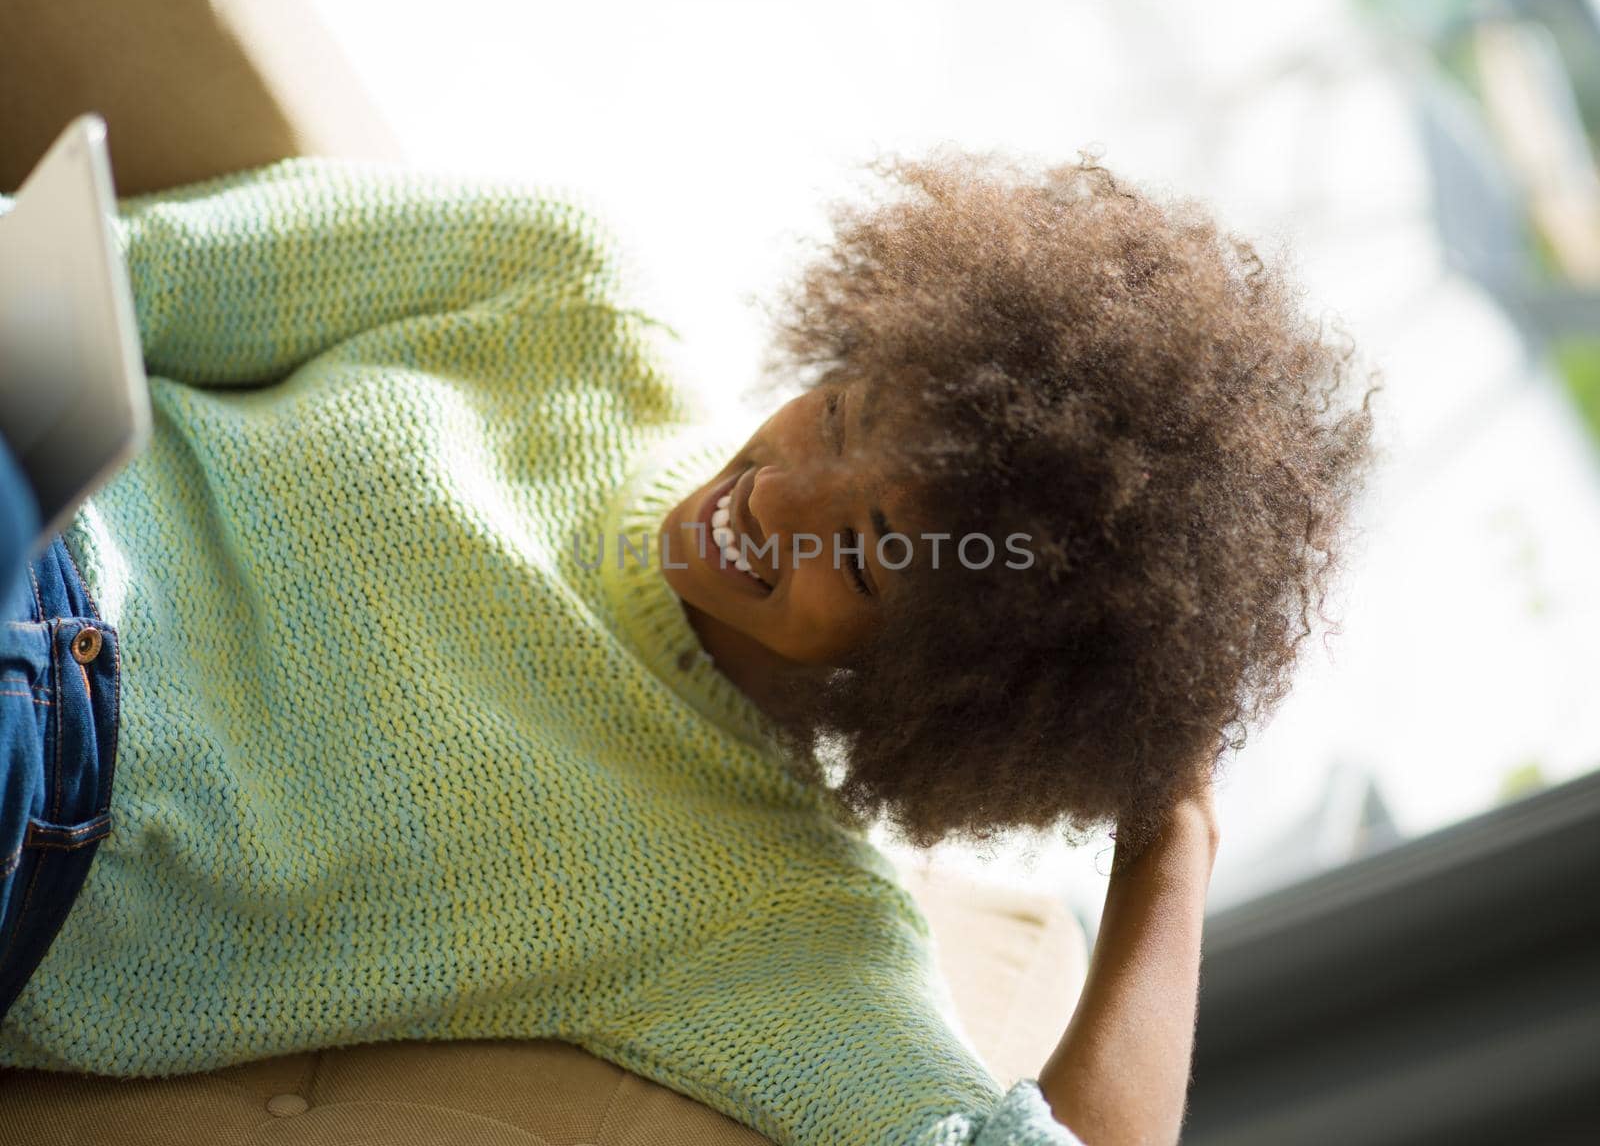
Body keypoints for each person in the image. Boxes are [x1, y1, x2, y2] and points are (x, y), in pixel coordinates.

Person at [0, 147, 1376, 1146]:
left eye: (869, 555)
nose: (776, 497)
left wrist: (1172, 832)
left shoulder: (781, 923)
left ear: (955, 688)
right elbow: (111, 277)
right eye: (840, 416)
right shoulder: (559, 286)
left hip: (43, 778)